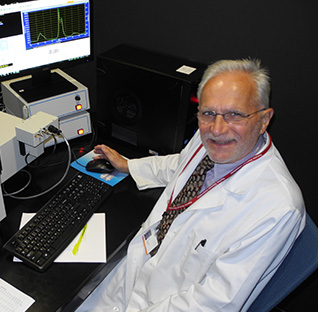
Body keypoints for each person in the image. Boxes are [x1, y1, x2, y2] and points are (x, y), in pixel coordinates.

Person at [76, 59, 306, 311]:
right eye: (208, 113)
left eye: (235, 114)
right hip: (132, 273)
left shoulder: (276, 208)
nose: (217, 129)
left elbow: (213, 303)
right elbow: (181, 165)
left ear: (264, 120)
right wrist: (129, 166)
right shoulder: (209, 136)